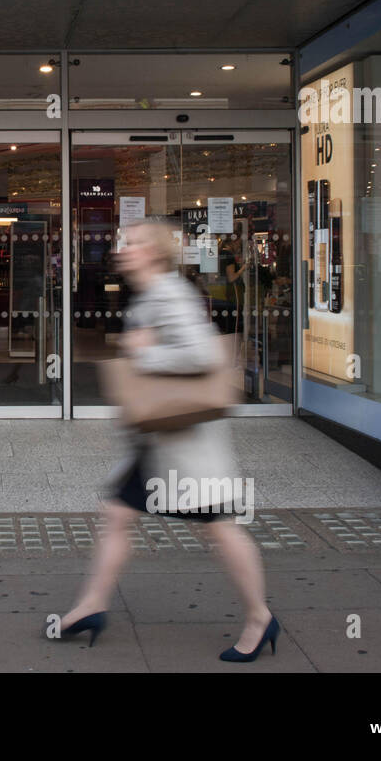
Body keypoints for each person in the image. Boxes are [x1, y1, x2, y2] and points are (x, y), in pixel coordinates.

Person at [55, 218, 279, 661]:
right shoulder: (152, 292)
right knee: (118, 513)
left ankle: (259, 617)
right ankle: (92, 605)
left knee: (219, 529)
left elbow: (201, 352)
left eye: (134, 243)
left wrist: (144, 352)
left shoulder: (169, 292)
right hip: (162, 441)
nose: (124, 249)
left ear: (155, 253)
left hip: (187, 445)